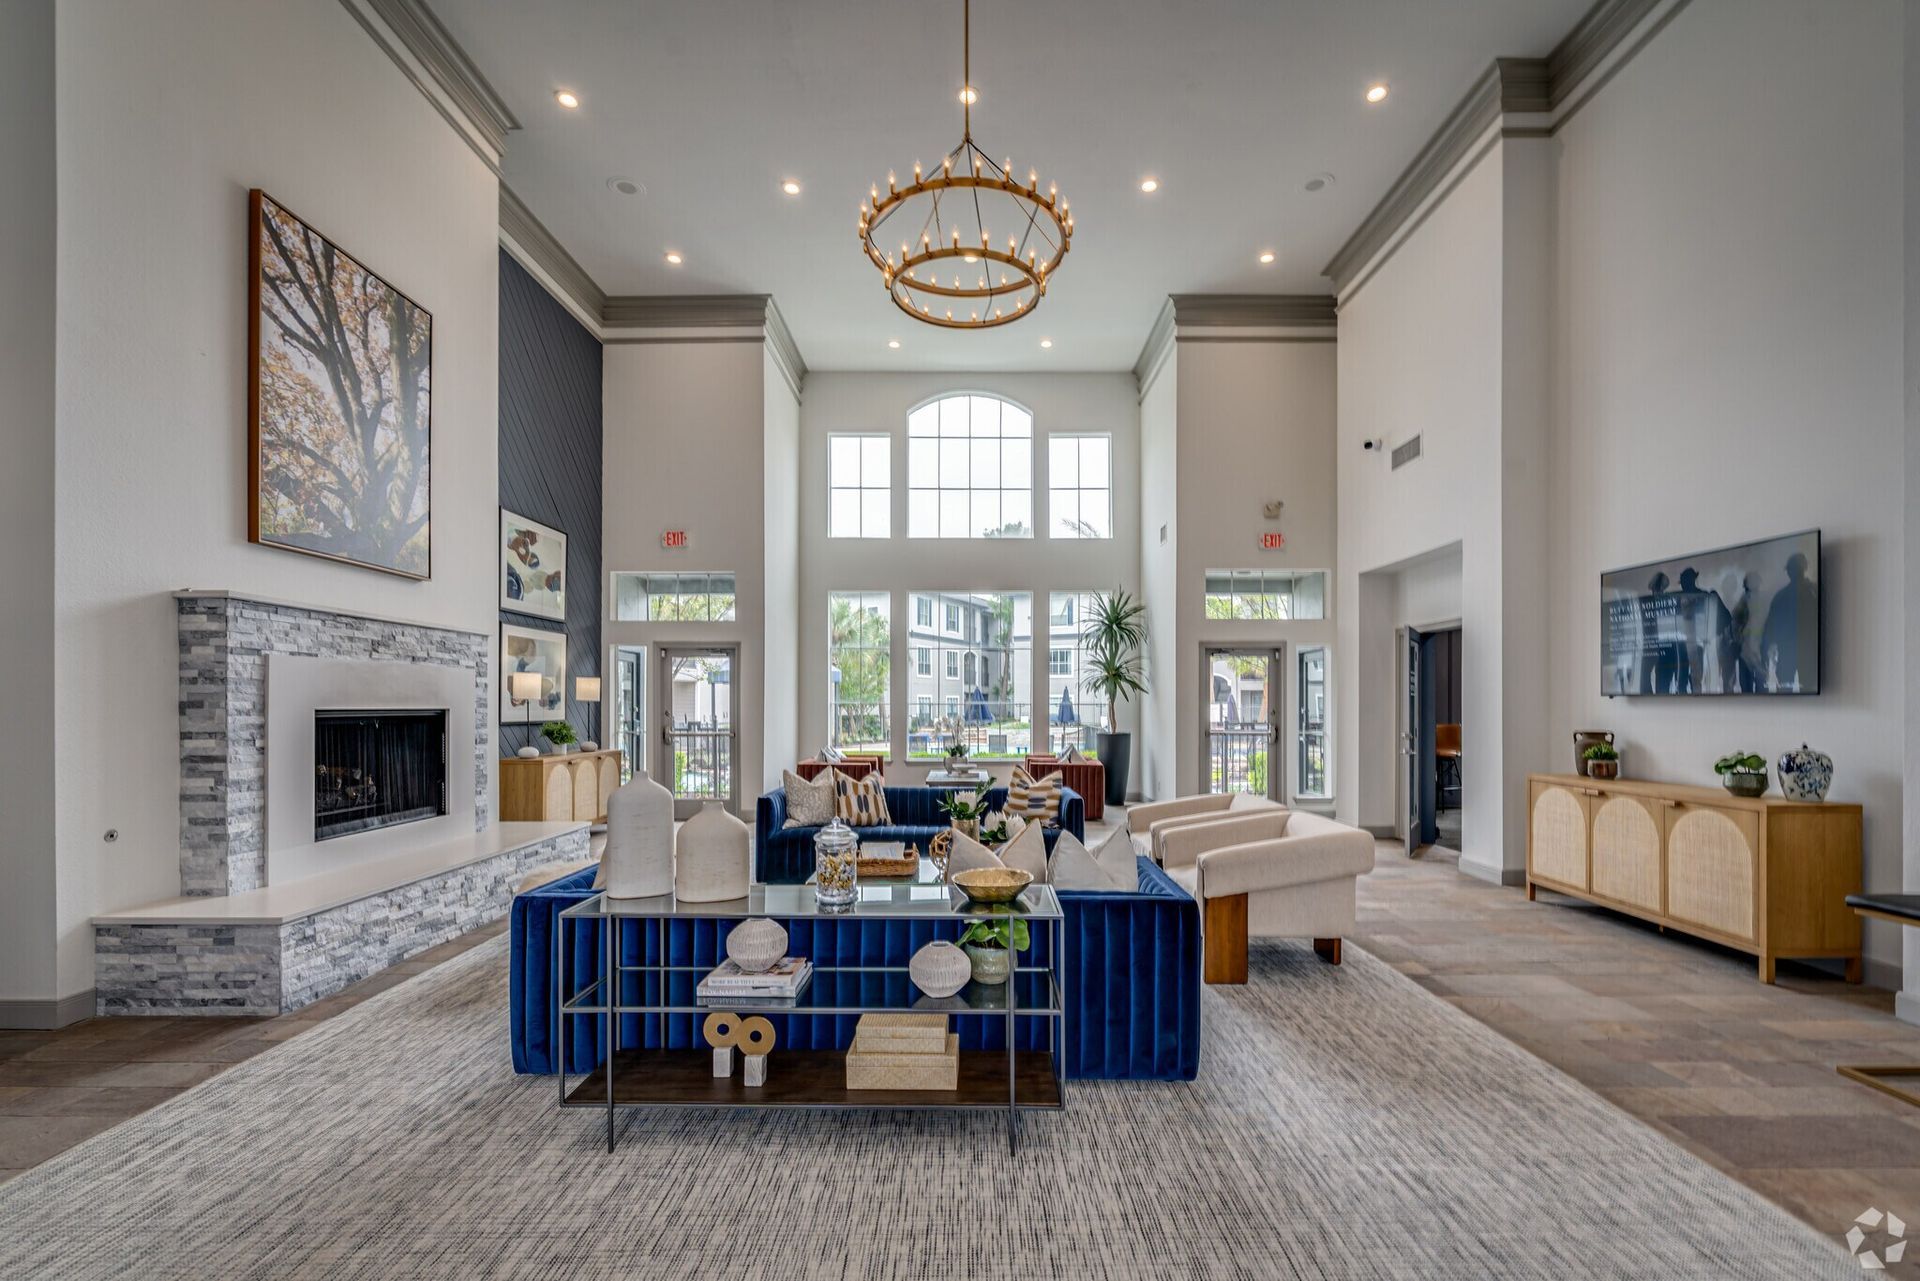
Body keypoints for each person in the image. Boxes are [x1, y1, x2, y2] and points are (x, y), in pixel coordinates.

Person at [1760, 552, 1818, 692]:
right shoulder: (1812, 591)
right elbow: (1770, 626)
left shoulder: (1812, 591)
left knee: (1801, 690)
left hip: (1805, 652)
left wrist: (1764, 649)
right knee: (1792, 690)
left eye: (1794, 568)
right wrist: (1765, 649)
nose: (1793, 572)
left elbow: (1769, 627)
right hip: (1793, 653)